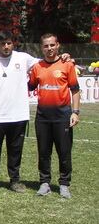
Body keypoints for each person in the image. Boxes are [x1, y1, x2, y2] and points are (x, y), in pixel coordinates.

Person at [0, 30, 70, 193]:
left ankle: (15, 181)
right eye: (2, 44)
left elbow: (49, 60)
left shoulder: (24, 58)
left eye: (9, 43)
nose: (6, 47)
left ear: (13, 43)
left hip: (18, 115)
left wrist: (65, 57)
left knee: (15, 151)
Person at [28, 33, 80, 199]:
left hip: (63, 115)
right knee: (44, 151)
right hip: (43, 116)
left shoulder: (67, 65)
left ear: (58, 45)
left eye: (52, 45)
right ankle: (44, 183)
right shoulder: (37, 67)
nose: (49, 49)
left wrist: (75, 112)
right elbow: (29, 86)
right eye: (46, 46)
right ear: (41, 48)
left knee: (64, 151)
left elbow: (75, 90)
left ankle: (64, 184)